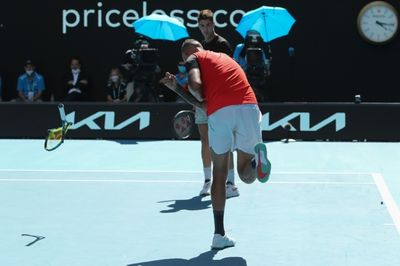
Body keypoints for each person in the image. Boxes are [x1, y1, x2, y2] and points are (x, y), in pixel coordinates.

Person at [160, 39, 271, 250]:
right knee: (246, 176)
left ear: (188, 54)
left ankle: (218, 234)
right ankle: (257, 160)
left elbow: (196, 87)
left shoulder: (194, 58)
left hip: (221, 112)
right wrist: (176, 87)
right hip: (248, 106)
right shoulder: (226, 59)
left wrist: (191, 84)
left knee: (219, 175)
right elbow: (203, 103)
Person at [197, 9, 238, 198]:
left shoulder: (222, 44)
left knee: (225, 141)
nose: (206, 29)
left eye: (208, 25)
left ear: (214, 24)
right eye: (202, 26)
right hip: (203, 98)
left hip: (221, 100)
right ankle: (207, 181)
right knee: (205, 140)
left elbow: (231, 71)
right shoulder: (201, 46)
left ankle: (231, 184)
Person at [233, 30, 270, 102]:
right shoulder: (239, 48)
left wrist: (266, 68)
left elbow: (264, 66)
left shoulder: (260, 51)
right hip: (242, 81)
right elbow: (234, 63)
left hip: (258, 82)